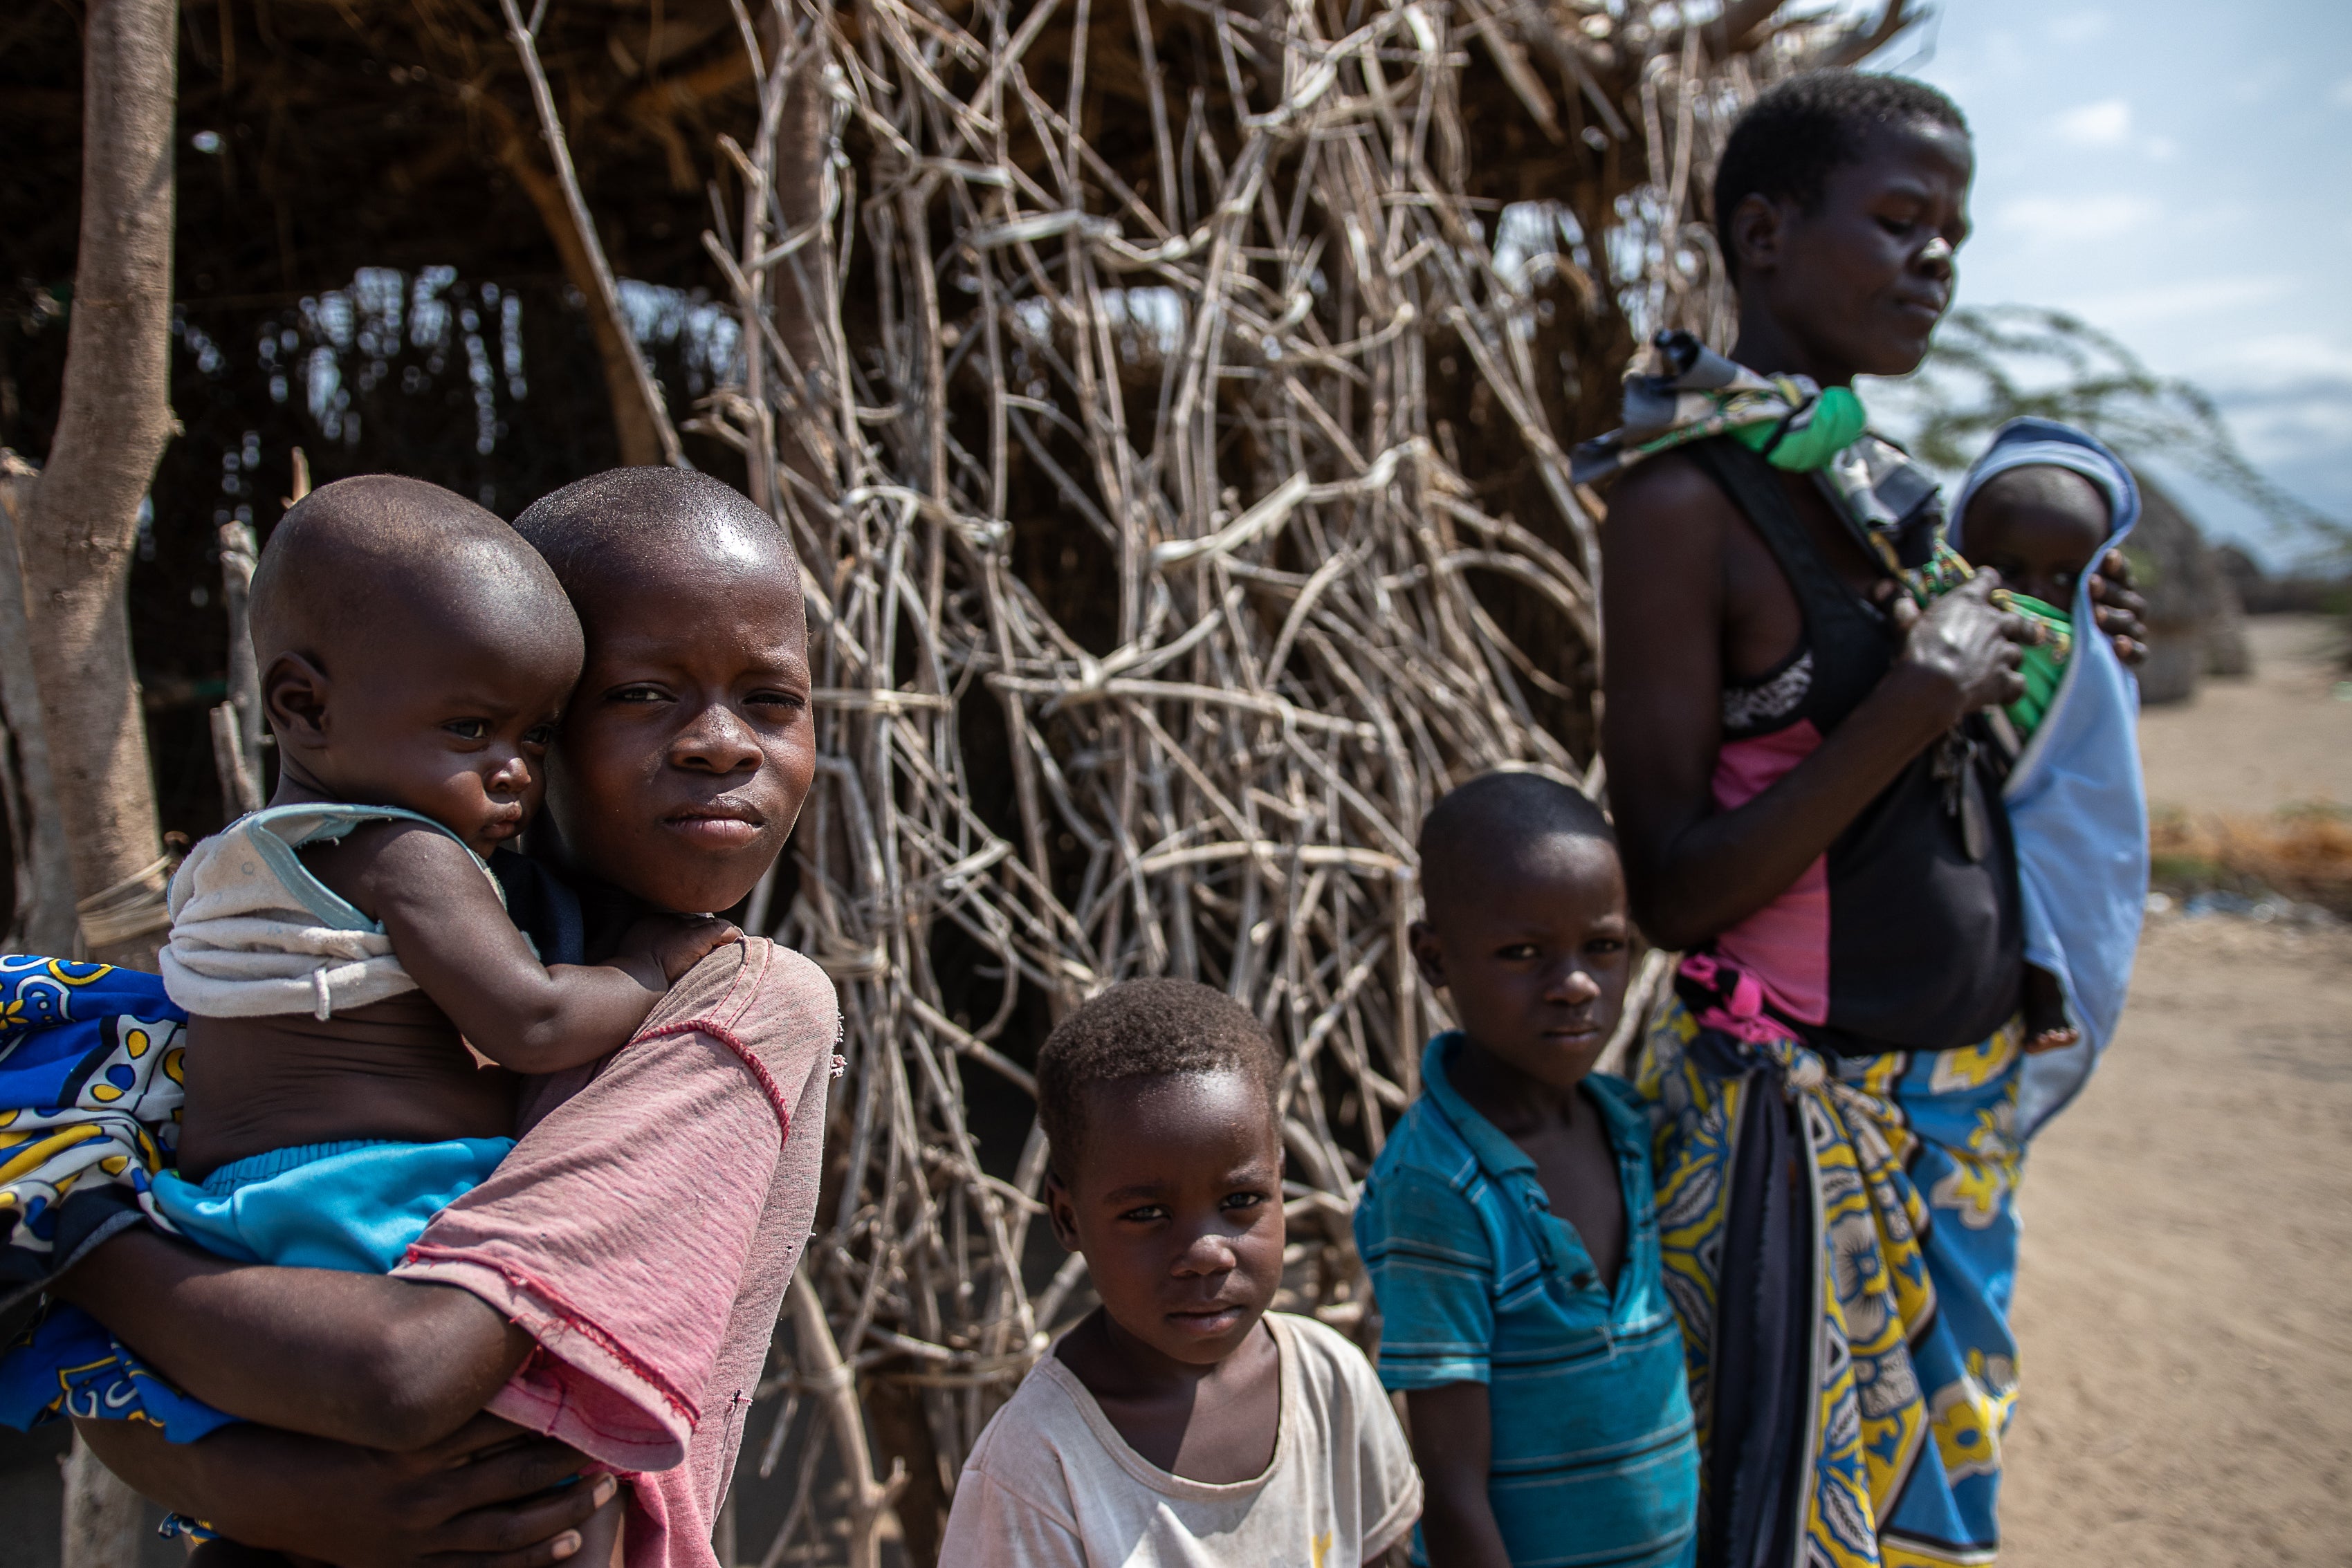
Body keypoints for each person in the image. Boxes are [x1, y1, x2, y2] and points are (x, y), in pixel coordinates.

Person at [44, 466, 839, 1568]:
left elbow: (409, 1370)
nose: (721, 743)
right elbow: (109, 1398)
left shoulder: (740, 998)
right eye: (638, 693)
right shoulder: (336, 957)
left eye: (772, 698)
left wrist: (75, 1240)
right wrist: (234, 1480)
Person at [1586, 72, 2147, 1568]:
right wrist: (1913, 696)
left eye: (1953, 232)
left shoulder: (1869, 485)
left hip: (1942, 1126)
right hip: (1795, 1129)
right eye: (1898, 221)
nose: (1936, 263)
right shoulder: (1676, 504)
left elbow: (1942, 737)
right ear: (1761, 233)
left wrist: (2046, 668)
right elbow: (1664, 888)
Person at [938, 977, 1422, 1567]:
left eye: (1242, 1199)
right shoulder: (1038, 1468)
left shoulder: (1332, 1383)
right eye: (1147, 1213)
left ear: (1278, 1181)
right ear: (1067, 1218)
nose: (1207, 1252)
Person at [1352, 772, 1699, 1568]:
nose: (1575, 983)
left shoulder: (1625, 1125)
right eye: (1522, 952)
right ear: (1434, 958)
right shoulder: (1437, 1185)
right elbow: (1451, 1482)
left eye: (1603, 946)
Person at [1951, 419, 2149, 1128]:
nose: (2033, 598)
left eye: (2063, 578)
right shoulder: (1929, 654)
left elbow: (2096, 800)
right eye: (2006, 570)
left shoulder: (2096, 661)